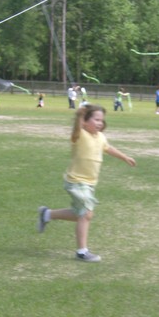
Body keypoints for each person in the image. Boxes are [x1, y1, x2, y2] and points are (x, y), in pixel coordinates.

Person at [37, 104, 136, 262]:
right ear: (84, 121)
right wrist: (79, 116)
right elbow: (76, 129)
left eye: (101, 120)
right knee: (87, 214)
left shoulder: (101, 137)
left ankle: (47, 214)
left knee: (80, 215)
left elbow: (108, 148)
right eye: (96, 119)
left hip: (89, 183)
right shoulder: (80, 135)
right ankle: (82, 252)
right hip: (76, 181)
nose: (99, 123)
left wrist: (124, 157)